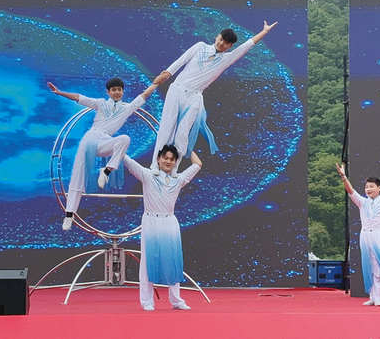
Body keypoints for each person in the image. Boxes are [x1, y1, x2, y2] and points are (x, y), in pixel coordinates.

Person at [151, 21, 277, 173]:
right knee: (166, 129)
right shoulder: (200, 47)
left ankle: (173, 170)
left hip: (194, 97)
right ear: (217, 37)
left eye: (226, 43)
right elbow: (181, 61)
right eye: (221, 39)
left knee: (182, 135)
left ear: (230, 46)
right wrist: (166, 74)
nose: (222, 43)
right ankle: (154, 166)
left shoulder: (227, 59)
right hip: (177, 90)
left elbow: (247, 45)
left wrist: (265, 32)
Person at [48, 75, 167, 230]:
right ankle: (69, 215)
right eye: (114, 90)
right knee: (78, 176)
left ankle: (107, 170)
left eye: (119, 90)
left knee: (124, 139)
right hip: (90, 139)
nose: (117, 92)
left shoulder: (127, 108)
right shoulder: (100, 103)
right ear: (108, 92)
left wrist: (157, 83)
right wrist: (60, 92)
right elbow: (79, 98)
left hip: (105, 141)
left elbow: (144, 94)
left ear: (123, 91)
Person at [123, 144, 201, 311]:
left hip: (169, 222)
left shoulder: (178, 180)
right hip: (151, 221)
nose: (168, 161)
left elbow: (197, 164)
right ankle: (147, 301)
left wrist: (186, 146)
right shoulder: (148, 175)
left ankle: (176, 300)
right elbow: (128, 161)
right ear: (158, 159)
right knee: (148, 262)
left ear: (175, 162)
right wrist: (116, 147)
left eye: (172, 159)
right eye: (165, 158)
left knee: (173, 261)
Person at [335, 164, 380, 307]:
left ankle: (379, 297)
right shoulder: (362, 202)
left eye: (371, 186)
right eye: (366, 187)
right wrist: (343, 176)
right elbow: (351, 191)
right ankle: (372, 296)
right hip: (365, 236)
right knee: (369, 266)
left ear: (379, 188)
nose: (368, 189)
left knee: (378, 267)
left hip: (378, 236)